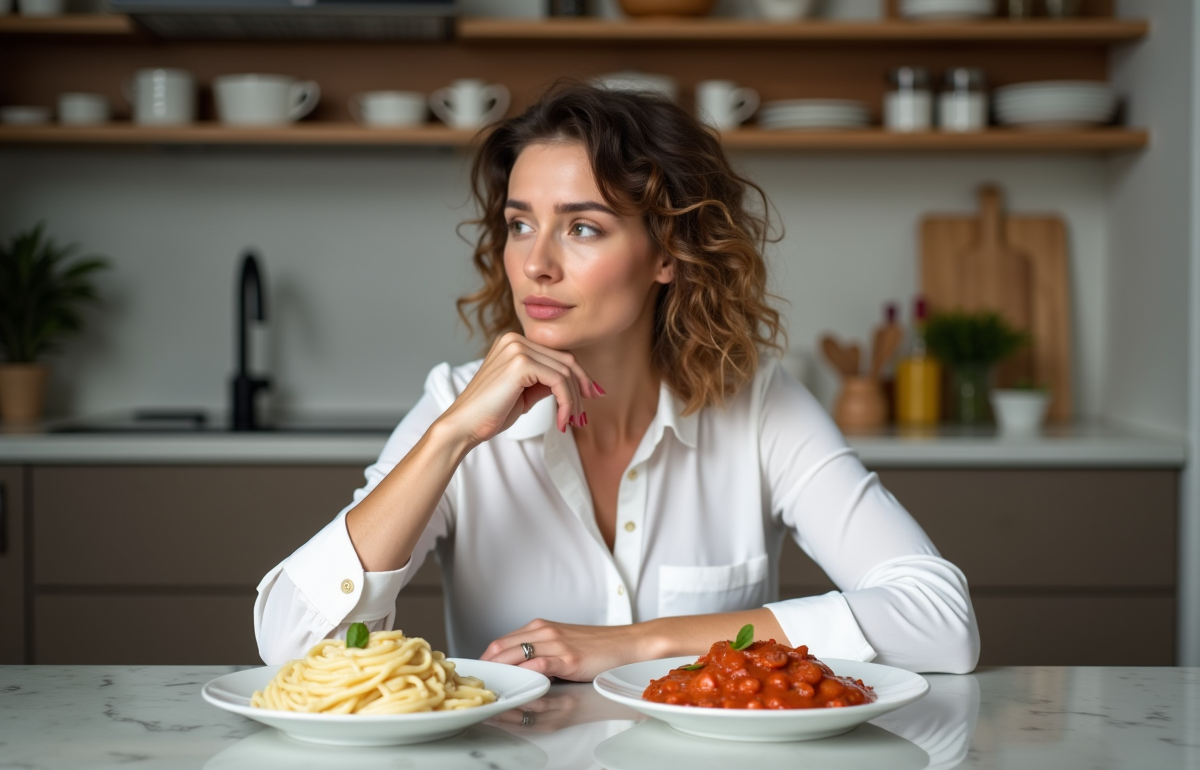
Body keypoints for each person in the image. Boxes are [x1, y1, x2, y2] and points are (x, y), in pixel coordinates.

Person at [254, 83, 979, 679]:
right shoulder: (456, 406)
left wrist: (646, 641)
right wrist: (448, 441)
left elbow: (940, 620)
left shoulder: (757, 402)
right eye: (519, 224)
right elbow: (291, 643)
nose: (535, 264)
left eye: (583, 228)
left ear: (668, 252)